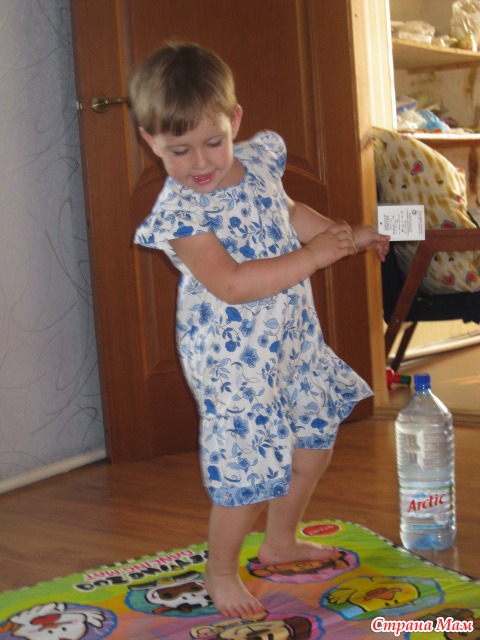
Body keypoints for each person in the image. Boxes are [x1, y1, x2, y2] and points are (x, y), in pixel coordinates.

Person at [130, 42, 389, 618]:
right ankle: (221, 571)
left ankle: (280, 541)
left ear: (235, 120)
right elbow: (231, 283)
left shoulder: (260, 162)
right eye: (178, 150)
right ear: (150, 141)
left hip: (292, 340)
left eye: (213, 142)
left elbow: (288, 212)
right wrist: (314, 258)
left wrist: (347, 236)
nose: (200, 163)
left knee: (313, 439)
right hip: (234, 362)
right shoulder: (181, 213)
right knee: (250, 471)